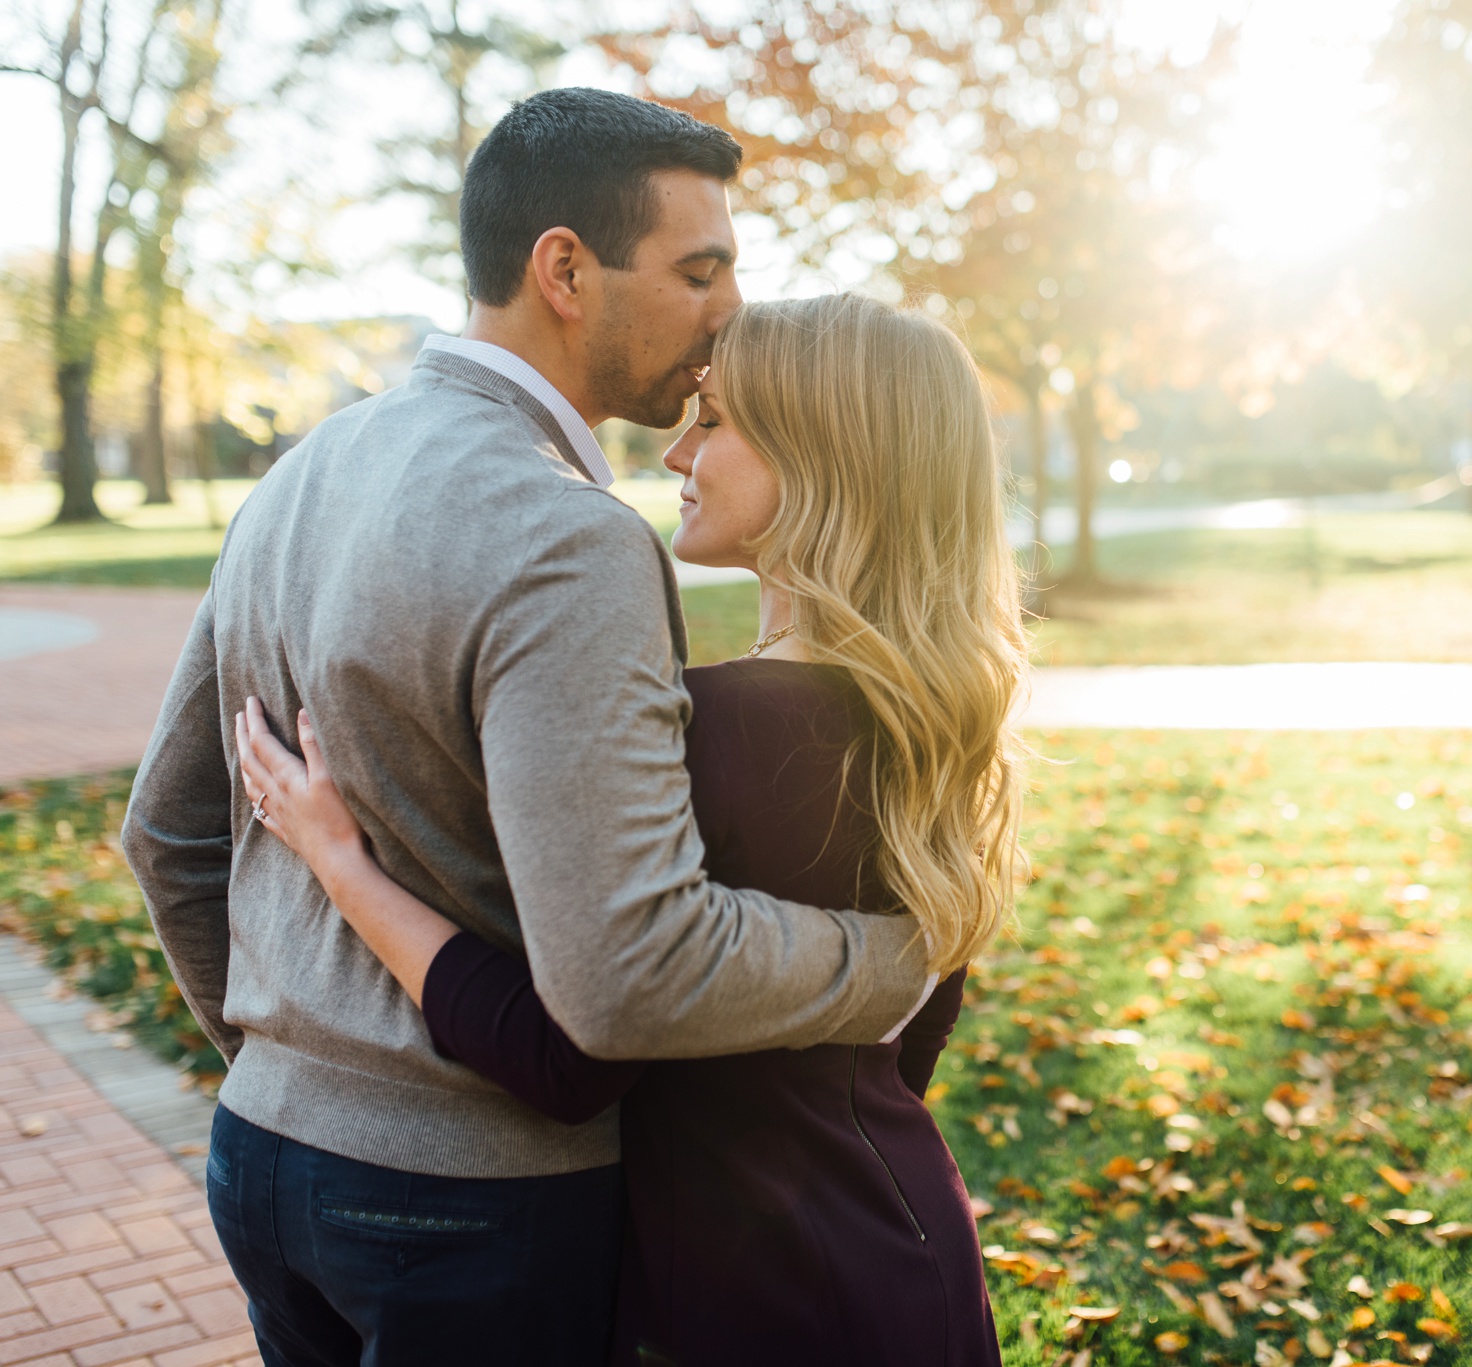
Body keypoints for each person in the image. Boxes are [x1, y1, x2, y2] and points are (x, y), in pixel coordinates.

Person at [120, 90, 935, 1367]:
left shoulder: (300, 473)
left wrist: (286, 1063)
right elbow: (627, 972)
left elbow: (166, 826)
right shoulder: (570, 536)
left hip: (261, 1158)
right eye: (698, 269)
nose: (726, 312)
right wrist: (897, 961)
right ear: (564, 267)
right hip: (474, 1205)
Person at [237, 292, 1025, 1365]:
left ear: (822, 459)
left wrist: (342, 863)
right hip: (903, 1243)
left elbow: (567, 1055)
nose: (675, 453)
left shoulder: (712, 731)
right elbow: (916, 1037)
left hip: (747, 1296)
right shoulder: (934, 716)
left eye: (715, 420)